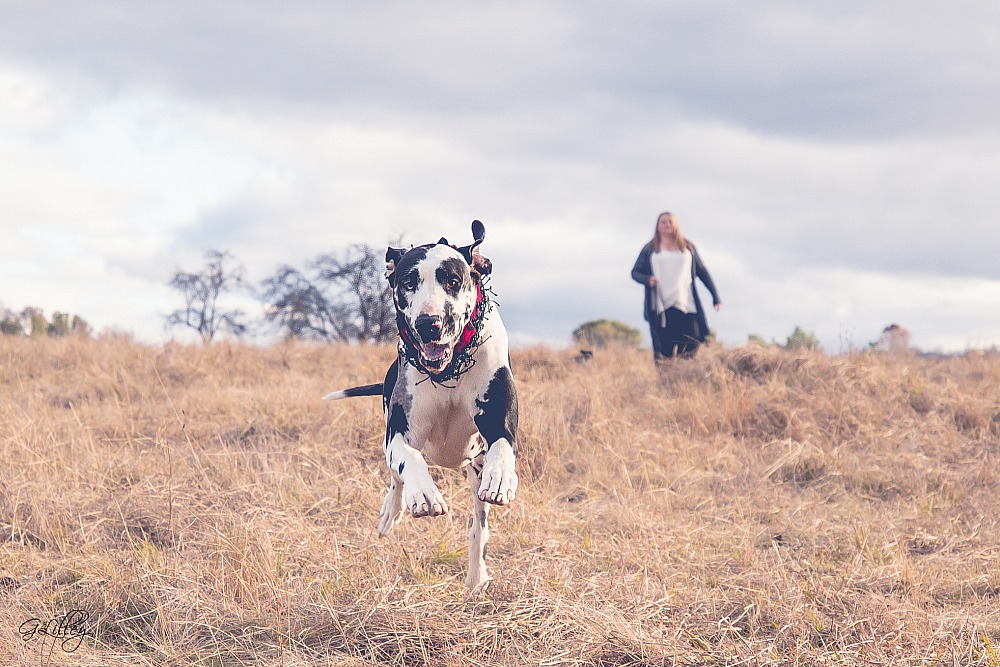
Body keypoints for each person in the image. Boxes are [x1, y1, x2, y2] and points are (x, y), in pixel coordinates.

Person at [631, 211, 721, 361]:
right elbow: (635, 272)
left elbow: (702, 271)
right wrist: (648, 279)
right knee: (665, 349)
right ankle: (668, 380)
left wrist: (715, 296)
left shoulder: (687, 247)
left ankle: (685, 373)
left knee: (693, 339)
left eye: (670, 222)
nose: (667, 224)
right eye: (663, 222)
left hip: (686, 303)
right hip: (662, 307)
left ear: (676, 225)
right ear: (658, 226)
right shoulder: (649, 249)